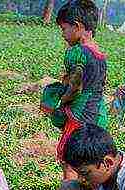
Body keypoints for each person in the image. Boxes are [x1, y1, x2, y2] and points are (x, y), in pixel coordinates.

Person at [44, 0, 107, 180]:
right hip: (98, 114)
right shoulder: (100, 54)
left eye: (64, 29)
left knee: (70, 161)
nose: (63, 34)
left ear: (77, 26)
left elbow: (75, 87)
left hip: (79, 115)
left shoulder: (76, 52)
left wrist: (60, 102)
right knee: (90, 161)